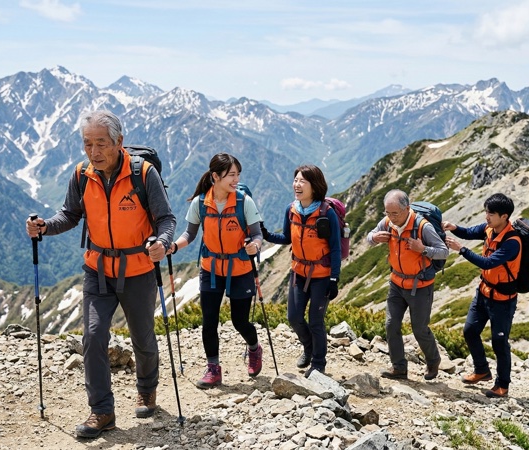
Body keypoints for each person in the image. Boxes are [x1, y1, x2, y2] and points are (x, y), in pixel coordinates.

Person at [25, 110, 176, 439]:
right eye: (87, 144)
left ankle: (147, 389)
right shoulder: (81, 175)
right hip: (97, 270)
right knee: (93, 337)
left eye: (101, 144)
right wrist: (44, 228)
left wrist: (162, 242)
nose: (94, 152)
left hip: (138, 270)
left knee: (143, 339)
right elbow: (69, 214)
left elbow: (166, 218)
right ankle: (102, 411)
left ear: (119, 142)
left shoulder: (143, 174)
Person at [166, 153, 264, 389]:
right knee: (209, 321)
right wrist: (173, 247)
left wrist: (256, 245)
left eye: (238, 174)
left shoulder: (243, 202)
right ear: (215, 177)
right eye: (231, 175)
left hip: (240, 268)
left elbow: (258, 233)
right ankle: (213, 369)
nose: (236, 179)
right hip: (210, 269)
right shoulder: (200, 203)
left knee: (240, 321)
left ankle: (254, 348)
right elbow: (189, 234)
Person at [261, 165, 341, 378]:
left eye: (302, 181)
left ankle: (318, 363)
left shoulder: (327, 213)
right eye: (295, 180)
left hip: (322, 276)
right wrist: (266, 234)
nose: (297, 185)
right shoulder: (292, 209)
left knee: (316, 320)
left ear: (314, 186)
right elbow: (287, 238)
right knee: (294, 317)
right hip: (299, 272)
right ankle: (308, 348)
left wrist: (334, 278)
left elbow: (335, 247)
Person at [443, 193, 521, 399]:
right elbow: (469, 232)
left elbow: (487, 263)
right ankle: (482, 371)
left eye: (491, 213)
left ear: (504, 216)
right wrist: (454, 227)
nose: (486, 216)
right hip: (484, 291)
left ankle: (502, 385)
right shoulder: (490, 228)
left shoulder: (512, 242)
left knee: (498, 341)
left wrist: (461, 250)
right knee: (470, 331)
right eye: (486, 211)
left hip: (503, 299)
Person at [366, 190, 448, 381]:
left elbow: (443, 252)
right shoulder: (387, 222)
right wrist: (374, 238)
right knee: (390, 324)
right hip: (396, 283)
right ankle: (399, 368)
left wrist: (423, 249)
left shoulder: (423, 227)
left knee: (419, 329)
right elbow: (369, 236)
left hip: (420, 286)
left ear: (407, 209)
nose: (391, 218)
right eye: (387, 213)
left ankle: (433, 360)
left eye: (395, 213)